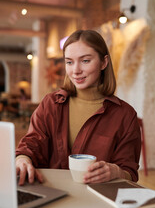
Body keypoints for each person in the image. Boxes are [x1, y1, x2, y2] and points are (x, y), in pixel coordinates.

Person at [16, 29, 141, 186]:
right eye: (69, 62)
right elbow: (31, 145)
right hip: (51, 193)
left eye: (85, 61)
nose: (75, 71)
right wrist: (22, 159)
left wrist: (116, 172)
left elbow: (129, 171)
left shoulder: (125, 115)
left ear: (104, 62)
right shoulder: (51, 104)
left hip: (97, 201)